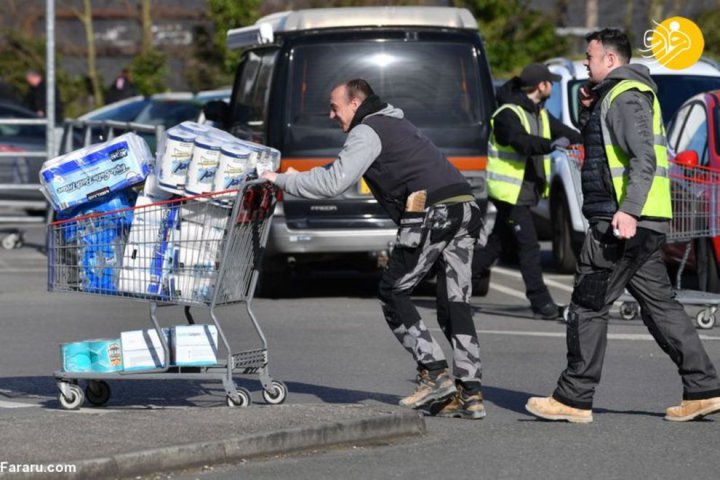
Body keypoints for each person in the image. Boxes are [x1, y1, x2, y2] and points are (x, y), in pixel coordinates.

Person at [526, 28, 720, 423]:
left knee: (587, 303)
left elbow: (642, 158)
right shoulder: (614, 96)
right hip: (639, 221)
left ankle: (573, 397)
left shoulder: (625, 96)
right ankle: (702, 388)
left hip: (622, 222)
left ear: (610, 60)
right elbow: (603, 149)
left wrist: (628, 210)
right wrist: (586, 110)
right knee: (660, 306)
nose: (585, 62)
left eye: (590, 56)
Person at [261, 79, 486, 419]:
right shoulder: (395, 121)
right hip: (465, 207)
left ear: (355, 103)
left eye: (335, 106)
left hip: (433, 212)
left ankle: (435, 374)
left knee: (393, 291)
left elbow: (333, 183)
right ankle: (471, 395)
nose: (331, 114)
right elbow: (339, 172)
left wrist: (280, 179)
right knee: (454, 302)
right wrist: (297, 175)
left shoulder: (367, 130)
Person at [472, 63, 582, 319]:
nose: (552, 86)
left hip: (523, 192)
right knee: (529, 247)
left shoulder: (539, 113)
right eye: (549, 82)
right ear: (540, 86)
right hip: (510, 195)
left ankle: (453, 280)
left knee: (496, 246)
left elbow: (564, 133)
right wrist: (551, 144)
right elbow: (520, 142)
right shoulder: (506, 115)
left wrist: (586, 139)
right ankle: (541, 302)